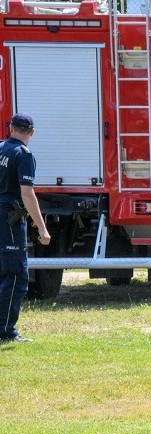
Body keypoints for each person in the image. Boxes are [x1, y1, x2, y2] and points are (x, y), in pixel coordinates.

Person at [0, 113, 51, 343]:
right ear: (32, 132)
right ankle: (5, 331)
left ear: (10, 127)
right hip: (9, 222)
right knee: (15, 275)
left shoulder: (1, 148)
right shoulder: (23, 154)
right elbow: (27, 193)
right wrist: (42, 228)